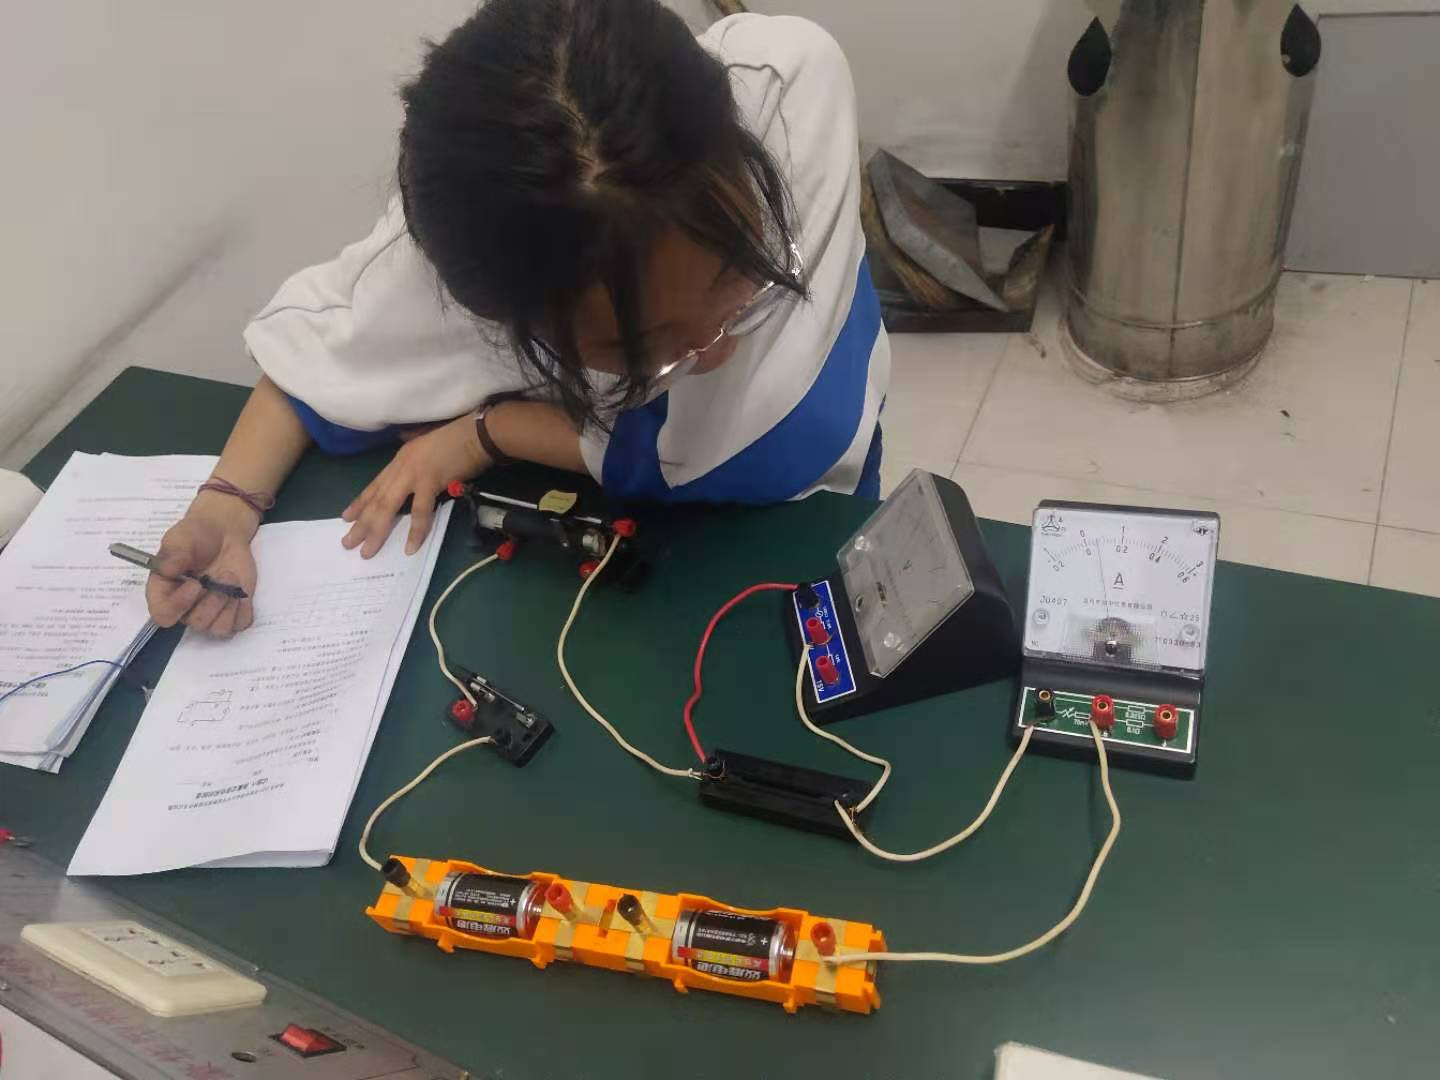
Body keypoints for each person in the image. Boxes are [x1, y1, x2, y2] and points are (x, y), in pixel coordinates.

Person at [146, 0, 889, 639]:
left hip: (812, 521)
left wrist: (490, 432)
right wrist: (225, 507)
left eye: (736, 278)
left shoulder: (792, 95)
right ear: (500, 321)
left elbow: (777, 442)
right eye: (641, 347)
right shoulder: (466, 262)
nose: (715, 351)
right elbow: (313, 367)